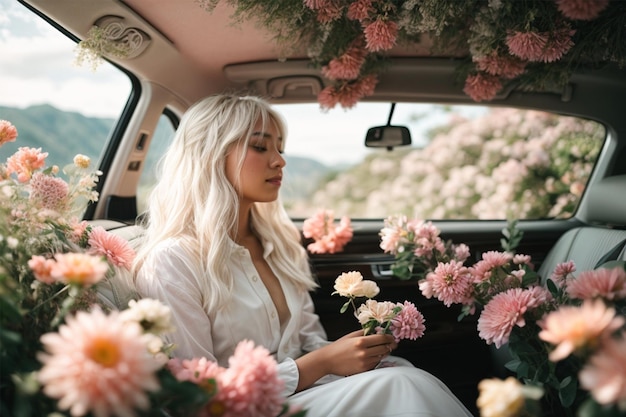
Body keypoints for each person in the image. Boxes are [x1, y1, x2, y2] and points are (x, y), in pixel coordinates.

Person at [133, 93, 473, 417]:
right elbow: (196, 398)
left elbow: (307, 339)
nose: (279, 160)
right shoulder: (172, 262)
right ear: (210, 154)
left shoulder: (279, 246)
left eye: (280, 148)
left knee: (401, 372)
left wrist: (350, 354)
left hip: (303, 393)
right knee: (402, 386)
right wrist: (321, 364)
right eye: (259, 146)